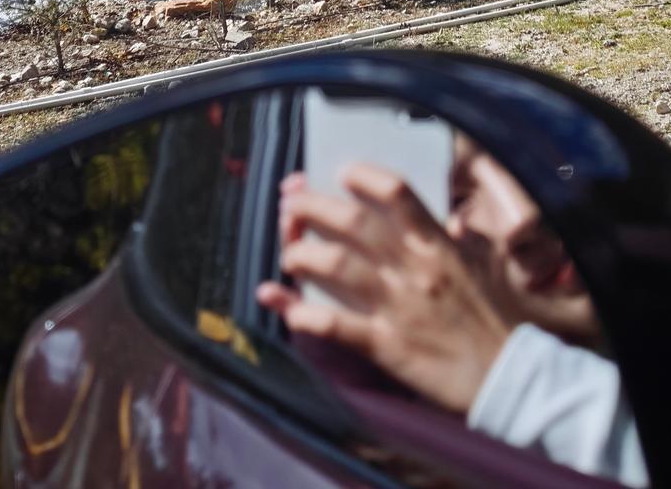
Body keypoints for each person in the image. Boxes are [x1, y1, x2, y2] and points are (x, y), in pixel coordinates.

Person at [256, 132, 650, 484]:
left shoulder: (666, 271)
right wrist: (506, 377)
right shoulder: (424, 443)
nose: (523, 215)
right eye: (453, 201)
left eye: (521, 159)